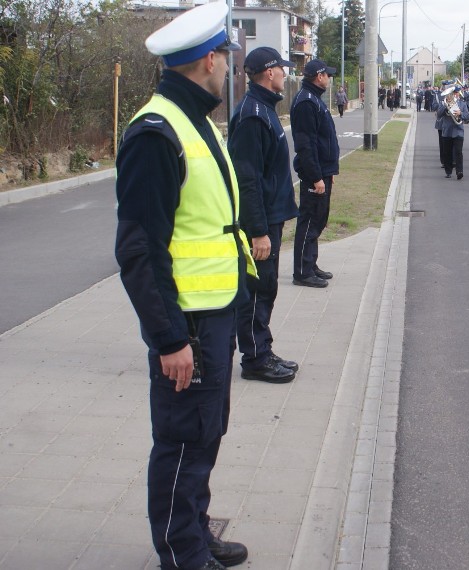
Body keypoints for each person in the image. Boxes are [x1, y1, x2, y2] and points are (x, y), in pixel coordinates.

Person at [114, 4, 252, 569]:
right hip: (187, 325)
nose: (228, 69)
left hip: (213, 313)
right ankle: (181, 554)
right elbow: (138, 250)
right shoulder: (157, 132)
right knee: (181, 443)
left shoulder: (193, 118)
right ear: (209, 60)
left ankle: (195, 530)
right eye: (224, 58)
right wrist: (169, 337)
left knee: (205, 434)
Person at [228, 47, 300, 385]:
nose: (286, 74)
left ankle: (262, 349)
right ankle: (255, 357)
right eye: (282, 69)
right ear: (269, 73)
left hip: (272, 215)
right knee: (257, 288)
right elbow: (247, 180)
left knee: (266, 286)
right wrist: (257, 231)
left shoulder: (264, 108)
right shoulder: (252, 115)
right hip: (261, 221)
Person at [291, 59, 341, 288]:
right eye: (327, 75)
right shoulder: (306, 103)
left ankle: (310, 264)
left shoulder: (314, 99)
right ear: (319, 76)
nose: (330, 78)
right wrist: (316, 177)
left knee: (318, 219)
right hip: (315, 174)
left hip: (323, 171)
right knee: (310, 220)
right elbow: (306, 145)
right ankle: (302, 271)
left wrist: (327, 172)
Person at [437, 85, 469, 179]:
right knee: (447, 152)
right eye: (453, 93)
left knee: (458, 152)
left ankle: (459, 171)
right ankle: (448, 171)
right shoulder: (443, 103)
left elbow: (467, 116)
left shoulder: (462, 104)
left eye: (456, 93)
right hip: (447, 131)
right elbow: (439, 114)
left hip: (458, 131)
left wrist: (460, 113)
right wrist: (445, 106)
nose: (455, 95)